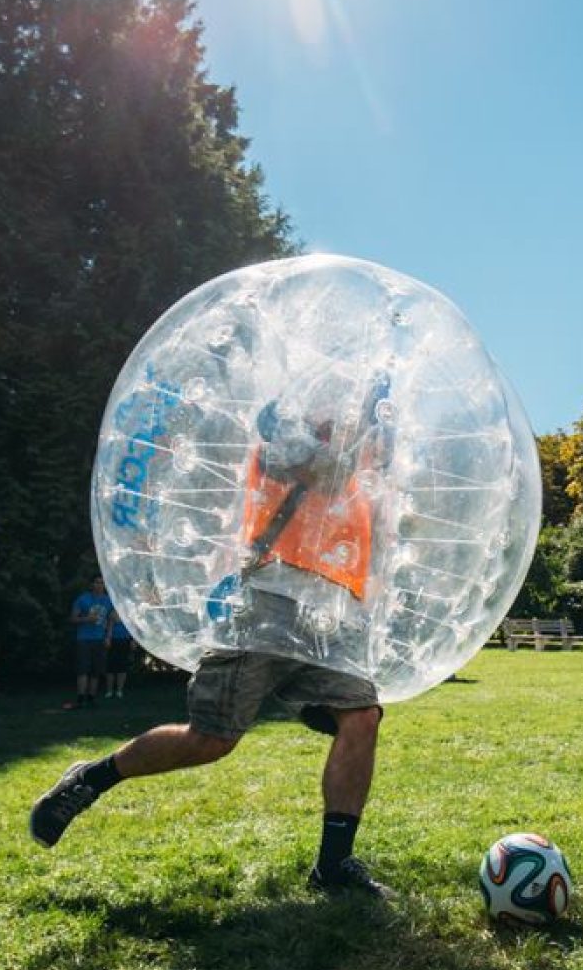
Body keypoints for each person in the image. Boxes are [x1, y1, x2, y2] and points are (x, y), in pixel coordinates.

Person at [31, 373, 396, 898]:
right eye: (336, 397)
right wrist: (364, 418)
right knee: (211, 740)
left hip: (330, 613)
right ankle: (91, 779)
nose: (341, 406)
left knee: (362, 717)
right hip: (264, 603)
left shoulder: (360, 452)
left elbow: (371, 521)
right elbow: (325, 473)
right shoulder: (279, 432)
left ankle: (333, 867)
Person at [68, 575, 112, 708]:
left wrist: (108, 636)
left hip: (100, 639)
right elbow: (73, 618)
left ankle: (91, 698)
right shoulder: (83, 599)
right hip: (84, 639)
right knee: (83, 670)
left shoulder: (108, 600)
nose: (100, 586)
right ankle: (81, 698)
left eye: (102, 583)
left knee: (96, 671)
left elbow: (111, 619)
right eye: (97, 583)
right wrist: (86, 619)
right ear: (92, 584)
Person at [103, 605, 135, 698]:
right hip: (114, 640)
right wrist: (108, 638)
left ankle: (119, 690)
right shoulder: (113, 611)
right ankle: (109, 690)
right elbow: (110, 625)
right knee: (111, 666)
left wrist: (133, 640)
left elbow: (133, 627)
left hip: (125, 640)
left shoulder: (130, 611)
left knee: (123, 666)